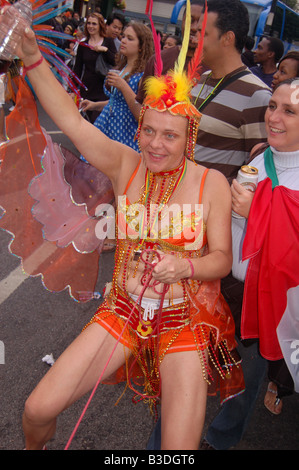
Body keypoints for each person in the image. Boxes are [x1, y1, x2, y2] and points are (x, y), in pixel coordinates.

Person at [4, 1, 245, 450]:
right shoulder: (125, 165)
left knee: (178, 449)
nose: (155, 144)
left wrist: (184, 267)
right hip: (122, 312)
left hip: (185, 320)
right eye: (148, 130)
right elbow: (71, 120)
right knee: (37, 409)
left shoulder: (211, 183)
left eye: (169, 135)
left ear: (188, 137)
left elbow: (221, 261)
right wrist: (32, 55)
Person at [230, 77, 299, 418]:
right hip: (234, 287)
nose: (274, 117)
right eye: (273, 106)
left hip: (278, 302)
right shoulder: (258, 154)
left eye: (290, 111)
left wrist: (255, 212)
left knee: (250, 376)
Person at [191, 0, 272, 182]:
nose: (195, 40)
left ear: (228, 38)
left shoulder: (257, 96)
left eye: (203, 33)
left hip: (211, 205)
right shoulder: (201, 78)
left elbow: (259, 168)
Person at [81, 23, 154, 152]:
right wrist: (94, 105)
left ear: (141, 47)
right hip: (105, 126)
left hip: (124, 133)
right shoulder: (121, 68)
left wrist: (123, 86)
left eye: (130, 38)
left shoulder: (144, 75)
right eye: (124, 37)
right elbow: (117, 103)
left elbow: (142, 115)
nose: (124, 41)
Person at [135, 0, 206, 107]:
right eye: (190, 20)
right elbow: (141, 105)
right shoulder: (159, 59)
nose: (194, 28)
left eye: (200, 23)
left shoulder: (214, 68)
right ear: (182, 21)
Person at [73, 12, 117, 123]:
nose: (91, 26)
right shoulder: (83, 45)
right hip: (87, 88)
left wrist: (105, 50)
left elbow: (116, 61)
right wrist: (73, 88)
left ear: (100, 25)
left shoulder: (108, 42)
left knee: (97, 121)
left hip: (103, 89)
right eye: (89, 23)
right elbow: (77, 69)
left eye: (94, 24)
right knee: (85, 122)